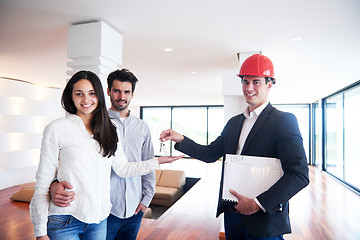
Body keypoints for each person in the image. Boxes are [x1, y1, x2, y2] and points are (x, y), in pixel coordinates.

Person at [160, 54, 309, 240]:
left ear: (269, 85)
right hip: (232, 215)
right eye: (245, 82)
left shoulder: (284, 121)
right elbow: (211, 154)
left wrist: (257, 204)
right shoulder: (234, 123)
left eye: (256, 82)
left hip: (263, 220)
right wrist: (180, 139)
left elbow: (299, 174)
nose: (249, 88)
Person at [29, 70, 182, 240]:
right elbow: (43, 182)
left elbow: (123, 169)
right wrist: (40, 232)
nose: (86, 100)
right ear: (70, 96)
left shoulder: (110, 129)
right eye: (79, 94)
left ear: (99, 96)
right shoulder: (57, 129)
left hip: (99, 219)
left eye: (92, 93)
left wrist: (158, 162)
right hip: (66, 220)